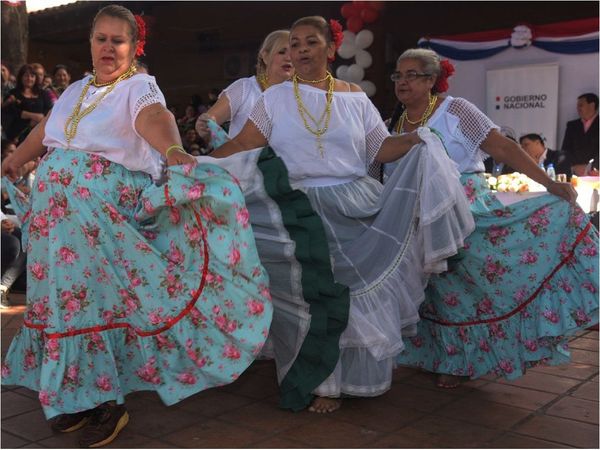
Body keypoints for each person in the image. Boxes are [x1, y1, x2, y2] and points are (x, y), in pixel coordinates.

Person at [0, 5, 272, 448]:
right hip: (59, 225)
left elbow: (154, 118)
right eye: (101, 39)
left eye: (117, 40)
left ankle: (109, 401)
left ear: (133, 46)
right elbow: (47, 129)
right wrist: (16, 158)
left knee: (98, 303)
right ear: (90, 43)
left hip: (99, 218)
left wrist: (173, 150)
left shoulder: (139, 86)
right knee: (70, 304)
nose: (108, 47)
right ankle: (84, 397)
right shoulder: (75, 90)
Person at [209, 16, 474, 413]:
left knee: (352, 297)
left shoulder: (354, 97)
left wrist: (417, 141)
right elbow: (244, 143)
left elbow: (379, 149)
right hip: (298, 211)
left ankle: (350, 379)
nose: (300, 50)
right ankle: (321, 384)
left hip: (354, 205)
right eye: (294, 43)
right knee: (309, 300)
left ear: (330, 49)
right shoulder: (275, 98)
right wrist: (194, 163)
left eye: (310, 42)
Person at [388, 48, 598, 388]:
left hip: (466, 209)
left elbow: (503, 147)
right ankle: (441, 356)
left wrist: (547, 183)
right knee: (436, 290)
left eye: (412, 75)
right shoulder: (394, 122)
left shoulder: (455, 110)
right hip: (417, 215)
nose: (402, 82)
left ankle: (463, 362)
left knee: (467, 282)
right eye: (398, 75)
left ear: (430, 80)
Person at [195, 29, 293, 148]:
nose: (288, 58)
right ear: (265, 56)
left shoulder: (303, 97)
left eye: (294, 53)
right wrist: (205, 125)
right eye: (282, 52)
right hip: (241, 164)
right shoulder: (245, 88)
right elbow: (209, 120)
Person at [1, 64, 53, 143]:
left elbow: (49, 110)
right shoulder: (13, 93)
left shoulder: (43, 94)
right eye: (26, 76)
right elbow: (10, 111)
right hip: (16, 136)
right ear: (21, 77)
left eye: (32, 76)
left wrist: (41, 118)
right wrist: (31, 116)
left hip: (39, 134)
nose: (29, 78)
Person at [561, 93, 599, 176]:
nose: (578, 108)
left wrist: (591, 166)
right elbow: (565, 150)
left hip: (596, 173)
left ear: (592, 106)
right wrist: (573, 167)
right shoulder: (572, 125)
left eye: (581, 105)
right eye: (577, 106)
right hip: (574, 173)